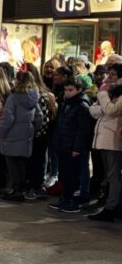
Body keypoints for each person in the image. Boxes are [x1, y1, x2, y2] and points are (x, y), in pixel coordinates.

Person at [48, 79, 92, 213]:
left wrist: (77, 148)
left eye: (71, 90)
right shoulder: (66, 104)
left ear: (78, 90)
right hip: (63, 144)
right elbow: (60, 124)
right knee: (64, 174)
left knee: (73, 175)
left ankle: (73, 201)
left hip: (73, 147)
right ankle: (65, 198)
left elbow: (82, 130)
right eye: (66, 90)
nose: (67, 93)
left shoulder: (82, 105)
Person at [0, 70, 42, 202]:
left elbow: (8, 117)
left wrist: (2, 132)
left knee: (12, 164)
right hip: (26, 134)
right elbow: (39, 116)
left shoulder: (14, 97)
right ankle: (22, 189)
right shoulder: (34, 97)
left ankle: (17, 190)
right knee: (22, 163)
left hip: (12, 134)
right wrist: (33, 130)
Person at [88, 84, 122, 221]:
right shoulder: (111, 95)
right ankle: (112, 206)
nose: (110, 79)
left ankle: (111, 208)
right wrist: (105, 102)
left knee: (113, 176)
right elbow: (93, 110)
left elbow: (110, 110)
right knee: (109, 175)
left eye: (113, 75)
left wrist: (103, 95)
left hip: (114, 141)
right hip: (104, 140)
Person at [25, 63, 57, 200]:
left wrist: (36, 132)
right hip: (34, 134)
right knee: (34, 161)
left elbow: (42, 117)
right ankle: (33, 185)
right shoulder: (34, 92)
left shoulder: (40, 93)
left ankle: (36, 187)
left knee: (37, 161)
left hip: (38, 134)